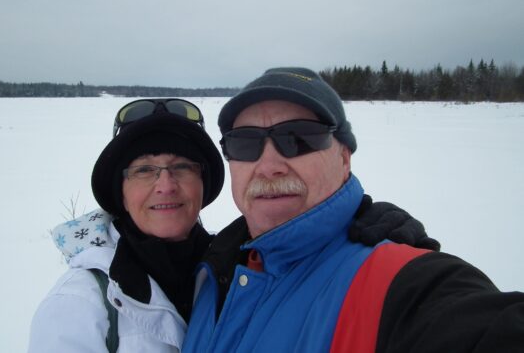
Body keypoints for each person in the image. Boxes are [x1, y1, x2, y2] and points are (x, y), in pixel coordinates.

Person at [28, 98, 438, 353]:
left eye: (181, 167)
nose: (165, 185)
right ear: (120, 192)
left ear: (204, 182)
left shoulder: (229, 266)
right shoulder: (81, 306)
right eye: (144, 170)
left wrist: (342, 230)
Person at [182, 67, 524, 353]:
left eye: (298, 138)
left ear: (344, 158)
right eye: (246, 142)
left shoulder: (406, 287)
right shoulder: (210, 272)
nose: (269, 165)